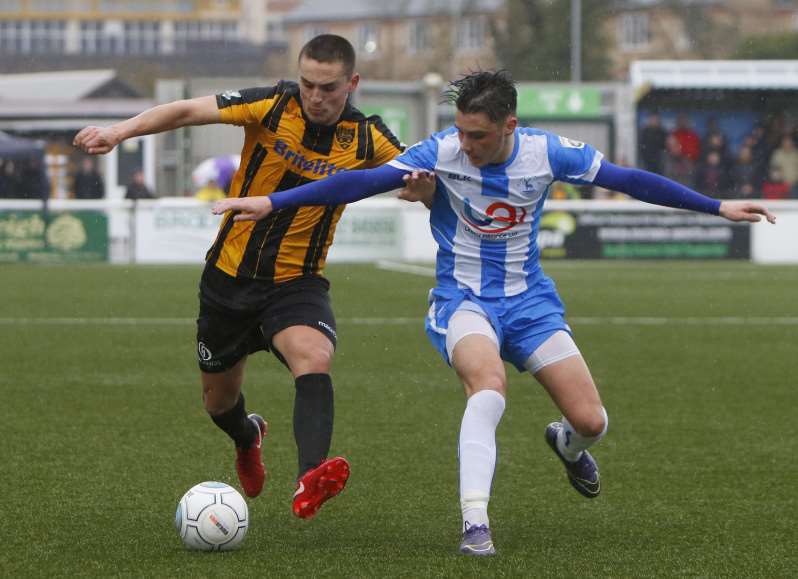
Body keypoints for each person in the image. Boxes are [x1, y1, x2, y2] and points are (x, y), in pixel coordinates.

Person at [210, 70, 777, 556]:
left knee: (591, 422)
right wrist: (273, 201)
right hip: (463, 300)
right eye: (459, 130)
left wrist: (716, 206)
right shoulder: (442, 151)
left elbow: (629, 180)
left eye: (476, 135)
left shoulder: (547, 152)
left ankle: (566, 445)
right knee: (489, 385)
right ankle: (475, 521)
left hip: (530, 302)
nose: (465, 143)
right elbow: (355, 183)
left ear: (509, 126)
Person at [74, 34, 404, 519]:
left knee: (312, 356)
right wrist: (119, 132)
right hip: (228, 279)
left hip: (297, 282)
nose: (315, 96)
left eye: (328, 88)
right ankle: (247, 436)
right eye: (308, 83)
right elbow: (187, 111)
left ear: (352, 83)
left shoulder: (369, 137)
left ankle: (310, 477)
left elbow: (416, 174)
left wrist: (422, 191)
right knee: (218, 403)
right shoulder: (272, 104)